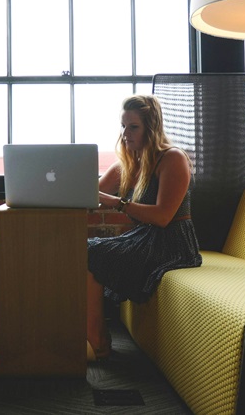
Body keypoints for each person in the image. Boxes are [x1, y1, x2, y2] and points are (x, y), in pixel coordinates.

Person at [86, 94, 202, 360]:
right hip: (143, 238)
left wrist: (118, 203)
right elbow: (89, 195)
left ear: (151, 128)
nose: (125, 133)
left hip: (172, 242)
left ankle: (97, 340)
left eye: (133, 127)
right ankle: (95, 335)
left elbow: (163, 217)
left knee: (91, 253)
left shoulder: (172, 158)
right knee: (86, 249)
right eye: (123, 126)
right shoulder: (127, 164)